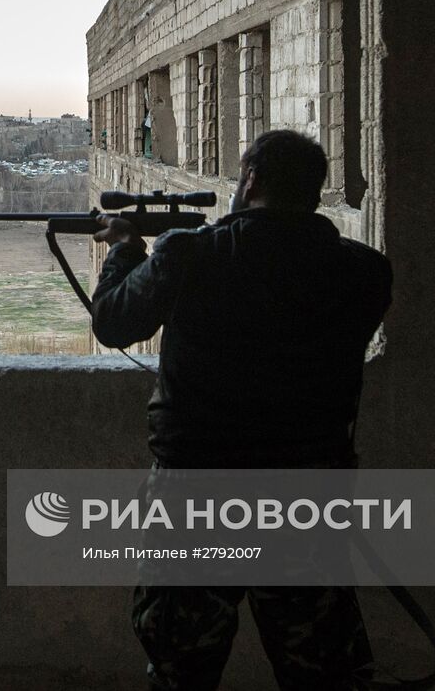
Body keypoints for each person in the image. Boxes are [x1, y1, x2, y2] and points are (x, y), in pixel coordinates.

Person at [91, 129, 392, 691]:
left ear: (250, 180)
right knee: (321, 669)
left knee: (181, 668)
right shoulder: (365, 271)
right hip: (306, 497)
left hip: (197, 494)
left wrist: (127, 250)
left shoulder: (190, 255)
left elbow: (112, 322)